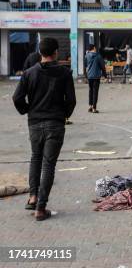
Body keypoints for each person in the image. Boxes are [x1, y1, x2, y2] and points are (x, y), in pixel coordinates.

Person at [12, 37, 76, 221]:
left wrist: (27, 110)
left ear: (40, 52)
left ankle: (33, 197)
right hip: (55, 123)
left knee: (36, 158)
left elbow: (17, 98)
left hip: (34, 123)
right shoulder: (64, 73)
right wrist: (64, 116)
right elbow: (71, 101)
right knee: (48, 164)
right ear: (55, 52)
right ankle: (41, 208)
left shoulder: (29, 73)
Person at [85, 44, 106, 113]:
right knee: (95, 92)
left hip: (90, 76)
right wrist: (104, 75)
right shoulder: (98, 56)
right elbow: (102, 66)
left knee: (90, 91)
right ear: (94, 48)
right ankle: (94, 108)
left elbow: (86, 65)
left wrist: (86, 75)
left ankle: (90, 106)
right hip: (96, 76)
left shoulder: (87, 56)